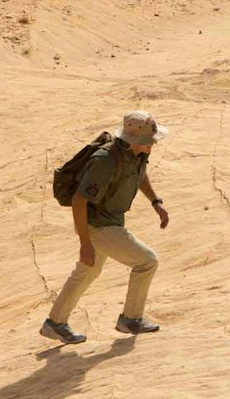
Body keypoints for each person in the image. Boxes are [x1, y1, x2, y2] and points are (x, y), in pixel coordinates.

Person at [41, 111, 170, 344]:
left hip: (110, 221)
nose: (153, 144)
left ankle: (55, 324)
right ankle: (131, 319)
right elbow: (79, 201)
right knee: (147, 261)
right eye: (150, 140)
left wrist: (156, 202)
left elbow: (139, 176)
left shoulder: (135, 154)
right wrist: (85, 243)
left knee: (87, 272)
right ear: (133, 140)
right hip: (98, 226)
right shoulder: (105, 161)